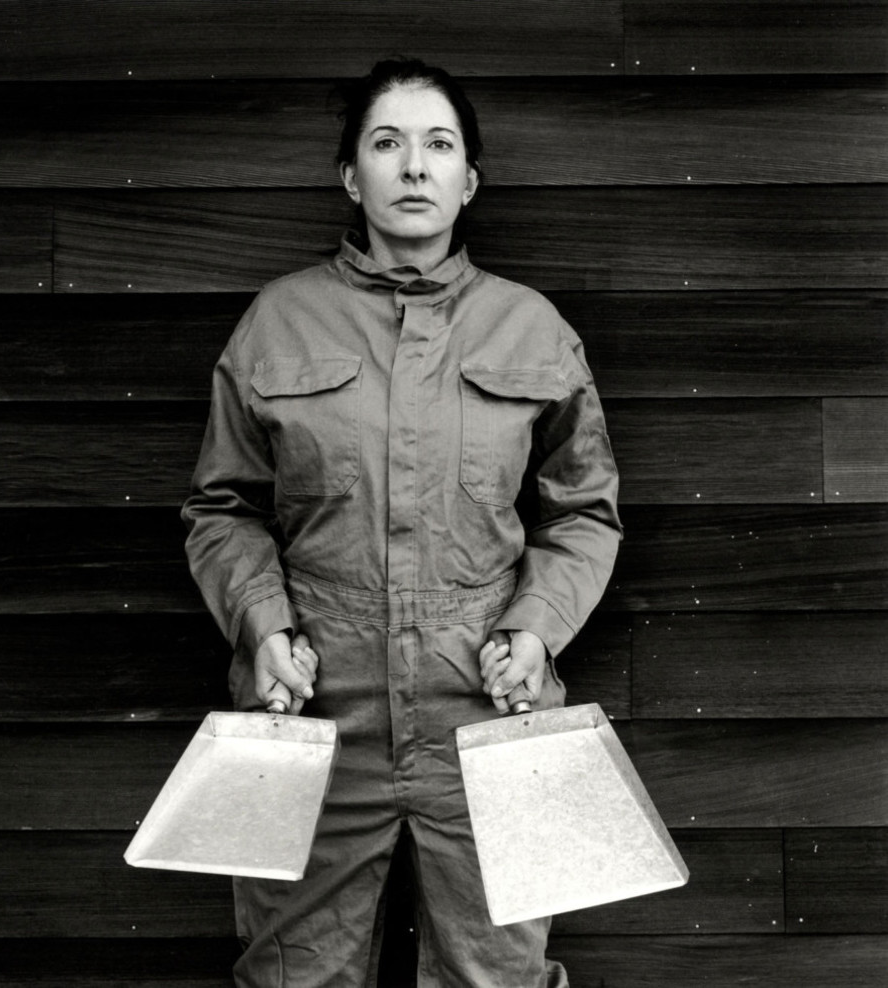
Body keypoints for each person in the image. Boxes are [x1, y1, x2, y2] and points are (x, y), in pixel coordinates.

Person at [182, 58, 622, 988]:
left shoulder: (531, 328)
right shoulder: (279, 321)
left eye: (438, 145)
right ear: (352, 177)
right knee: (293, 975)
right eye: (387, 143)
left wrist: (536, 628)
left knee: (499, 976)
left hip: (491, 708)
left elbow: (585, 512)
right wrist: (263, 625)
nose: (414, 166)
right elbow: (223, 508)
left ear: (470, 180)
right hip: (313, 708)